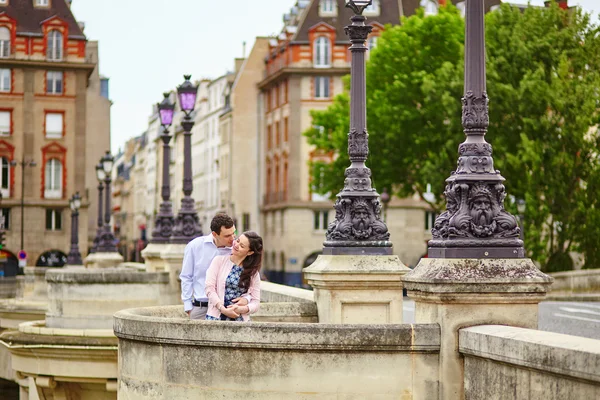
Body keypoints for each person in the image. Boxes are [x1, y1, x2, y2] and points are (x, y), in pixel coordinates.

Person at [180, 213, 238, 320]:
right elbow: (186, 276)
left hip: (229, 308)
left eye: (233, 233)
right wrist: (188, 306)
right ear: (215, 234)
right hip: (201, 308)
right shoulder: (195, 246)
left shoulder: (236, 250)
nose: (232, 238)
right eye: (227, 236)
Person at [205, 231, 263, 322]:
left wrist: (242, 309)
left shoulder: (253, 273)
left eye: (242, 246)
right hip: (216, 318)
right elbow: (209, 289)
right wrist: (223, 309)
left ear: (250, 252)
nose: (236, 245)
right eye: (238, 240)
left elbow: (256, 302)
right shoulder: (218, 261)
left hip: (241, 321)